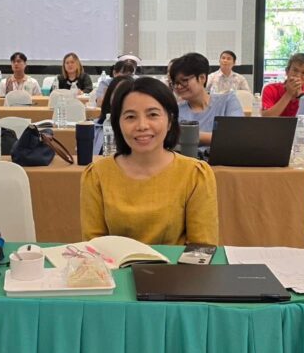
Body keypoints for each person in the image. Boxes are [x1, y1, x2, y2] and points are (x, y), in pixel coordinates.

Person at [80, 76, 218, 246]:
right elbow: (94, 246)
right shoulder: (96, 175)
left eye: (152, 115)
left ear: (169, 121)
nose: (142, 126)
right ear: (117, 124)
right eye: (130, 117)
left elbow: (202, 247)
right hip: (114, 264)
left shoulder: (195, 174)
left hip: (176, 264)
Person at [169, 52, 243, 149]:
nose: (178, 87)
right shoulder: (175, 111)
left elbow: (237, 137)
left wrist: (189, 135)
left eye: (184, 81)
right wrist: (218, 138)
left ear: (202, 78)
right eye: (175, 83)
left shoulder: (227, 101)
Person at [262, 53, 304, 117]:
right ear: (287, 71)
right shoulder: (271, 89)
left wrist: (301, 96)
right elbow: (266, 117)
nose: (298, 75)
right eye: (295, 70)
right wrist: (289, 93)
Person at [92, 74, 134, 154]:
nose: (121, 98)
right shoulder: (95, 127)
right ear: (109, 96)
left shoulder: (138, 129)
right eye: (118, 93)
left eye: (126, 94)